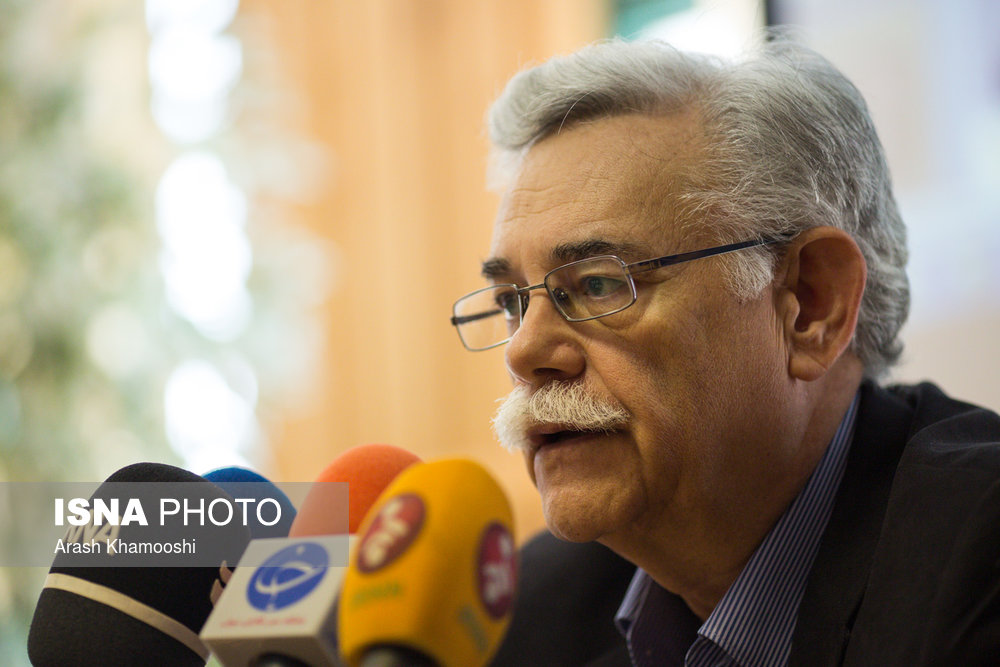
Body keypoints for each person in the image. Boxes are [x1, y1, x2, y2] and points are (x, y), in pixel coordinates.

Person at [449, 36, 1000, 666]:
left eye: (599, 284)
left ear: (811, 306)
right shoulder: (537, 613)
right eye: (513, 301)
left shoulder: (977, 559)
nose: (523, 351)